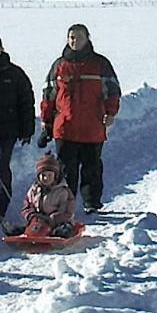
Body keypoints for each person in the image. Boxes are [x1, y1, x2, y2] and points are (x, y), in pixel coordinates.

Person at [38, 23, 121, 213]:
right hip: (65, 128)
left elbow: (112, 91)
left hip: (92, 127)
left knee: (91, 168)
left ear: (87, 39)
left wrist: (110, 112)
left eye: (79, 37)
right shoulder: (59, 65)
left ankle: (91, 202)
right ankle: (66, 204)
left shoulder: (100, 64)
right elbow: (48, 94)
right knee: (66, 170)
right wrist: (46, 120)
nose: (75, 41)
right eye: (71, 37)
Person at [0, 32, 36, 225]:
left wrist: (27, 129)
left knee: (0, 167)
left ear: (2, 47)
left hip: (7, 130)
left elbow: (26, 101)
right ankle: (0, 194)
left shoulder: (15, 73)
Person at [3, 153, 77, 238]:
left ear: (55, 176)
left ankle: (59, 234)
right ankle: (17, 231)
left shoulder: (63, 191)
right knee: (31, 228)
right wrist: (31, 215)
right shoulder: (34, 189)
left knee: (63, 230)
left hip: (57, 222)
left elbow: (67, 212)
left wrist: (53, 219)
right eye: (43, 175)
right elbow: (27, 205)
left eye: (49, 175)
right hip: (38, 221)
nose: (46, 178)